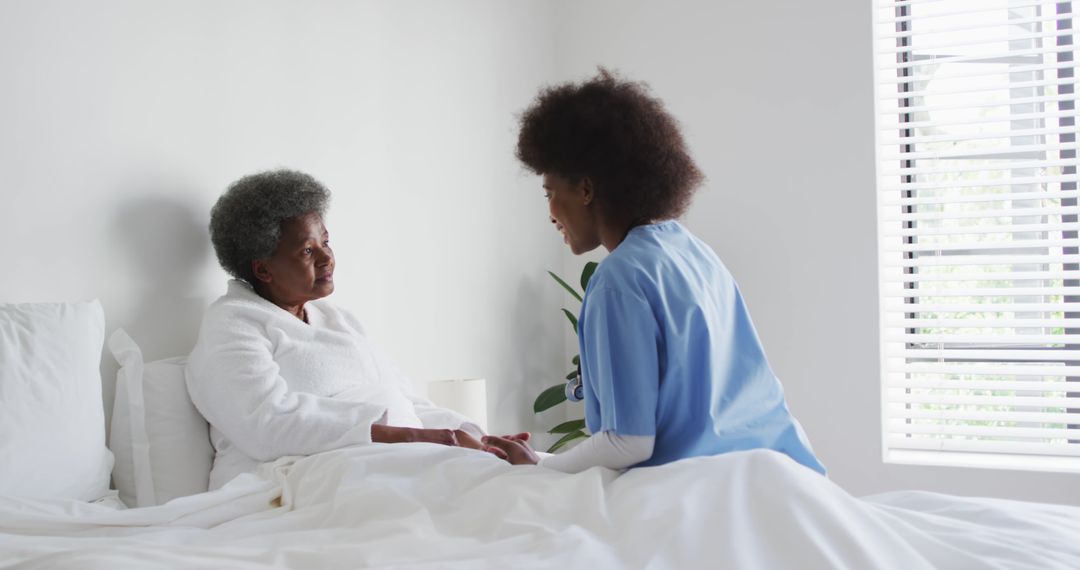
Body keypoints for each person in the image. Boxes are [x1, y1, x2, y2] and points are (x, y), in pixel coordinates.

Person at [483, 69, 826, 476]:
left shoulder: (618, 280)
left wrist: (538, 473)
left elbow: (628, 443)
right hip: (780, 475)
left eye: (550, 192)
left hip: (703, 491)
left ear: (586, 190)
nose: (550, 212)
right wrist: (542, 457)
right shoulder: (694, 253)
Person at [186, 169, 499, 490]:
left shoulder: (339, 320)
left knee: (504, 478)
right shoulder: (233, 322)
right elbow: (264, 424)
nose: (327, 258)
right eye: (308, 250)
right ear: (263, 268)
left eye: (326, 242)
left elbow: (406, 402)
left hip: (389, 460)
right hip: (291, 478)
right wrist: (409, 437)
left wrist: (479, 439)